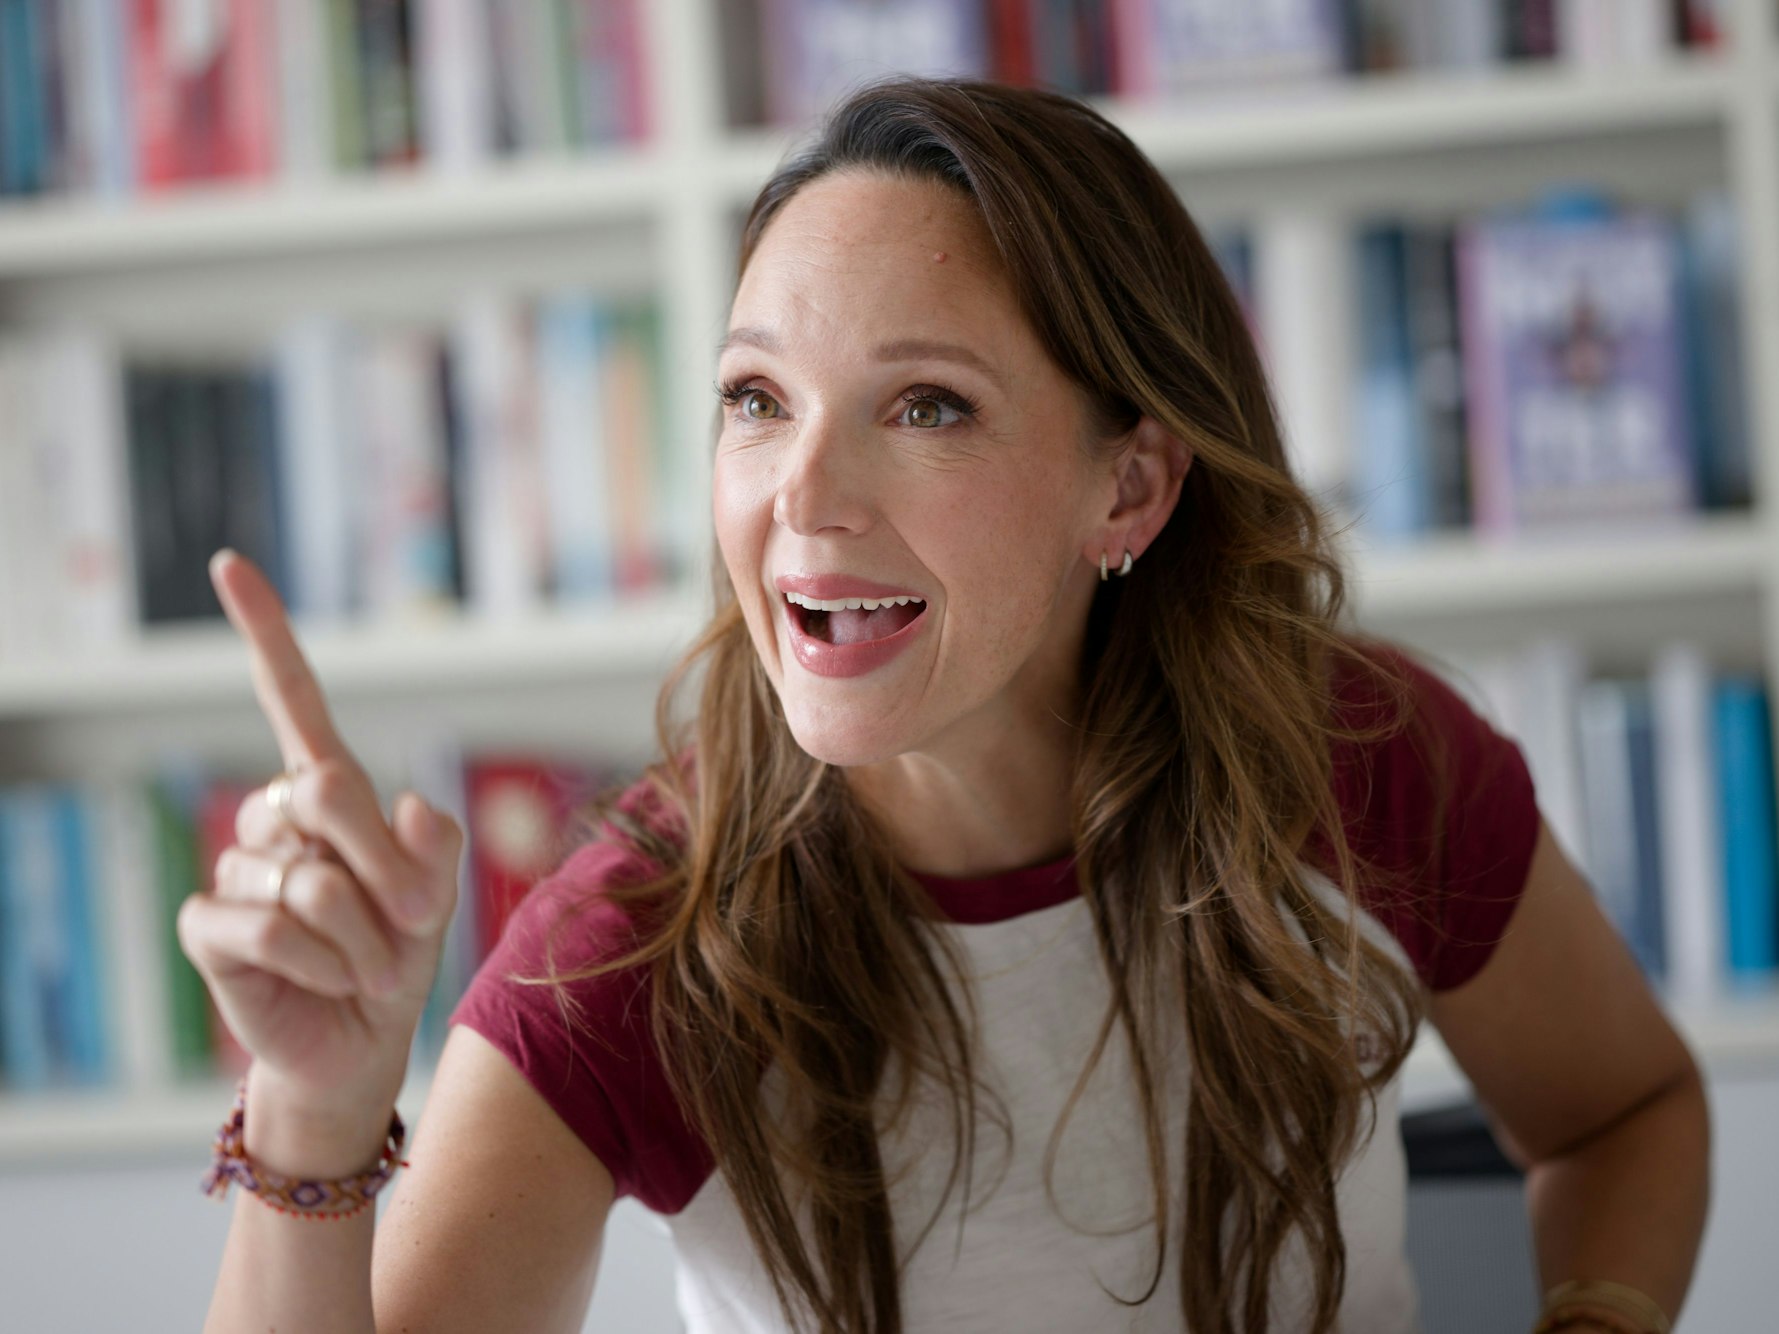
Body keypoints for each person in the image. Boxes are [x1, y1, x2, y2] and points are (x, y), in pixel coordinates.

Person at [186, 77, 1708, 1334]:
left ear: (1129, 483)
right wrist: (314, 1114)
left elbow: (1622, 1110)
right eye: (756, 399)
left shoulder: (1362, 762)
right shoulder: (642, 941)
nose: (802, 495)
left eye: (927, 406)